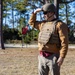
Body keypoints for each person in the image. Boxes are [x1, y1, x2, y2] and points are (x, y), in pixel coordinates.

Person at [28, 3, 68, 75]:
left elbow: (64, 42)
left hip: (53, 57)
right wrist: (34, 13)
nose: (44, 15)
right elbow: (32, 23)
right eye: (43, 13)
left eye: (45, 13)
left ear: (52, 13)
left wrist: (62, 57)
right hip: (41, 56)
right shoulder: (42, 24)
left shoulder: (60, 25)